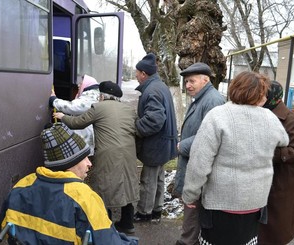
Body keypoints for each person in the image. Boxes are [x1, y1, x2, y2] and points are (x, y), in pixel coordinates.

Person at [182, 71, 289, 245]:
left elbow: (199, 162)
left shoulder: (218, 116)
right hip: (255, 202)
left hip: (220, 203)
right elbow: (283, 139)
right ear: (260, 94)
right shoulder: (270, 118)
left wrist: (190, 195)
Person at [0, 123, 138, 245]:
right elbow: (107, 240)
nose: (89, 164)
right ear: (70, 163)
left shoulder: (21, 186)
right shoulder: (84, 197)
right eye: (84, 158)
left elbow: (7, 229)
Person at [54, 81, 139, 235]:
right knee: (126, 184)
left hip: (107, 153)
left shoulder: (98, 107)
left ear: (101, 96)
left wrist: (62, 116)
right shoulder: (128, 109)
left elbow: (76, 123)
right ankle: (127, 223)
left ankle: (105, 225)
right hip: (128, 152)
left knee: (104, 186)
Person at [174, 62, 225, 245]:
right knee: (192, 209)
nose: (187, 85)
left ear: (206, 80)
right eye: (186, 81)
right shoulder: (203, 98)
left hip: (198, 167)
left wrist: (183, 145)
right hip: (194, 164)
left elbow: (212, 137)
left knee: (193, 209)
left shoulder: (212, 101)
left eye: (191, 81)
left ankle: (188, 242)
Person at [132, 53, 177, 223]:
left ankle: (144, 213)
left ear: (144, 73)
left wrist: (136, 128)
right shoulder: (160, 86)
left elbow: (155, 119)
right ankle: (156, 210)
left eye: (137, 72)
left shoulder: (151, 90)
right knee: (158, 178)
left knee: (148, 180)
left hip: (156, 144)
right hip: (164, 143)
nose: (136, 76)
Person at [258, 81, 294, 245]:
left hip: (281, 180)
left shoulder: (288, 117)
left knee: (276, 225)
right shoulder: (261, 111)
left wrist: (265, 151)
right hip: (263, 177)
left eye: (263, 93)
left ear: (272, 96)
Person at [49, 74, 99, 156]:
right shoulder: (91, 95)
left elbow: (73, 107)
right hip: (85, 135)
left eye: (81, 83)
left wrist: (54, 100)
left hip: (86, 137)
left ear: (87, 84)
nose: (78, 85)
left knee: (84, 159)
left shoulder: (91, 96)